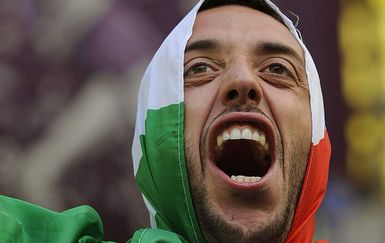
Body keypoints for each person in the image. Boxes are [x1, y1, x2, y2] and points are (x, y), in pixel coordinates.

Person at [0, 0, 331, 242]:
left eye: (277, 69)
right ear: (155, 138)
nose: (243, 81)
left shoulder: (110, 34)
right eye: (199, 68)